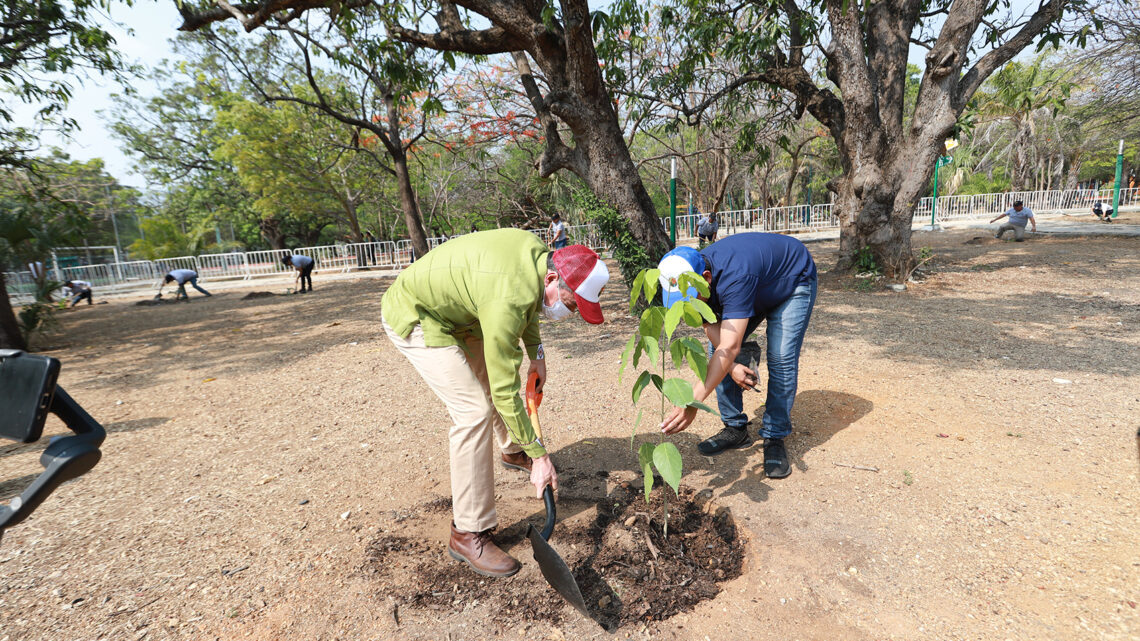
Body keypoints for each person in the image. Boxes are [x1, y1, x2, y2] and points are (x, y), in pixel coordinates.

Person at [381, 229, 610, 577]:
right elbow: (506, 386)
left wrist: (537, 353)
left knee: (489, 380)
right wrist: (541, 456)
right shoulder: (508, 297)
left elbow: (531, 303)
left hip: (464, 314)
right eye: (574, 302)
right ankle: (467, 531)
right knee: (473, 410)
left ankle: (512, 448)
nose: (573, 312)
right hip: (419, 315)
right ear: (552, 277)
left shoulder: (535, 258)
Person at [656, 234, 817, 479]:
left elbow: (729, 348)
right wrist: (731, 368)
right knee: (717, 353)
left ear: (706, 279)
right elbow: (711, 326)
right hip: (756, 285)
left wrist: (691, 402)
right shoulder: (697, 280)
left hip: (792, 279)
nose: (685, 306)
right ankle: (735, 429)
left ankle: (774, 434)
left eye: (688, 299)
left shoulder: (735, 276)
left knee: (781, 357)